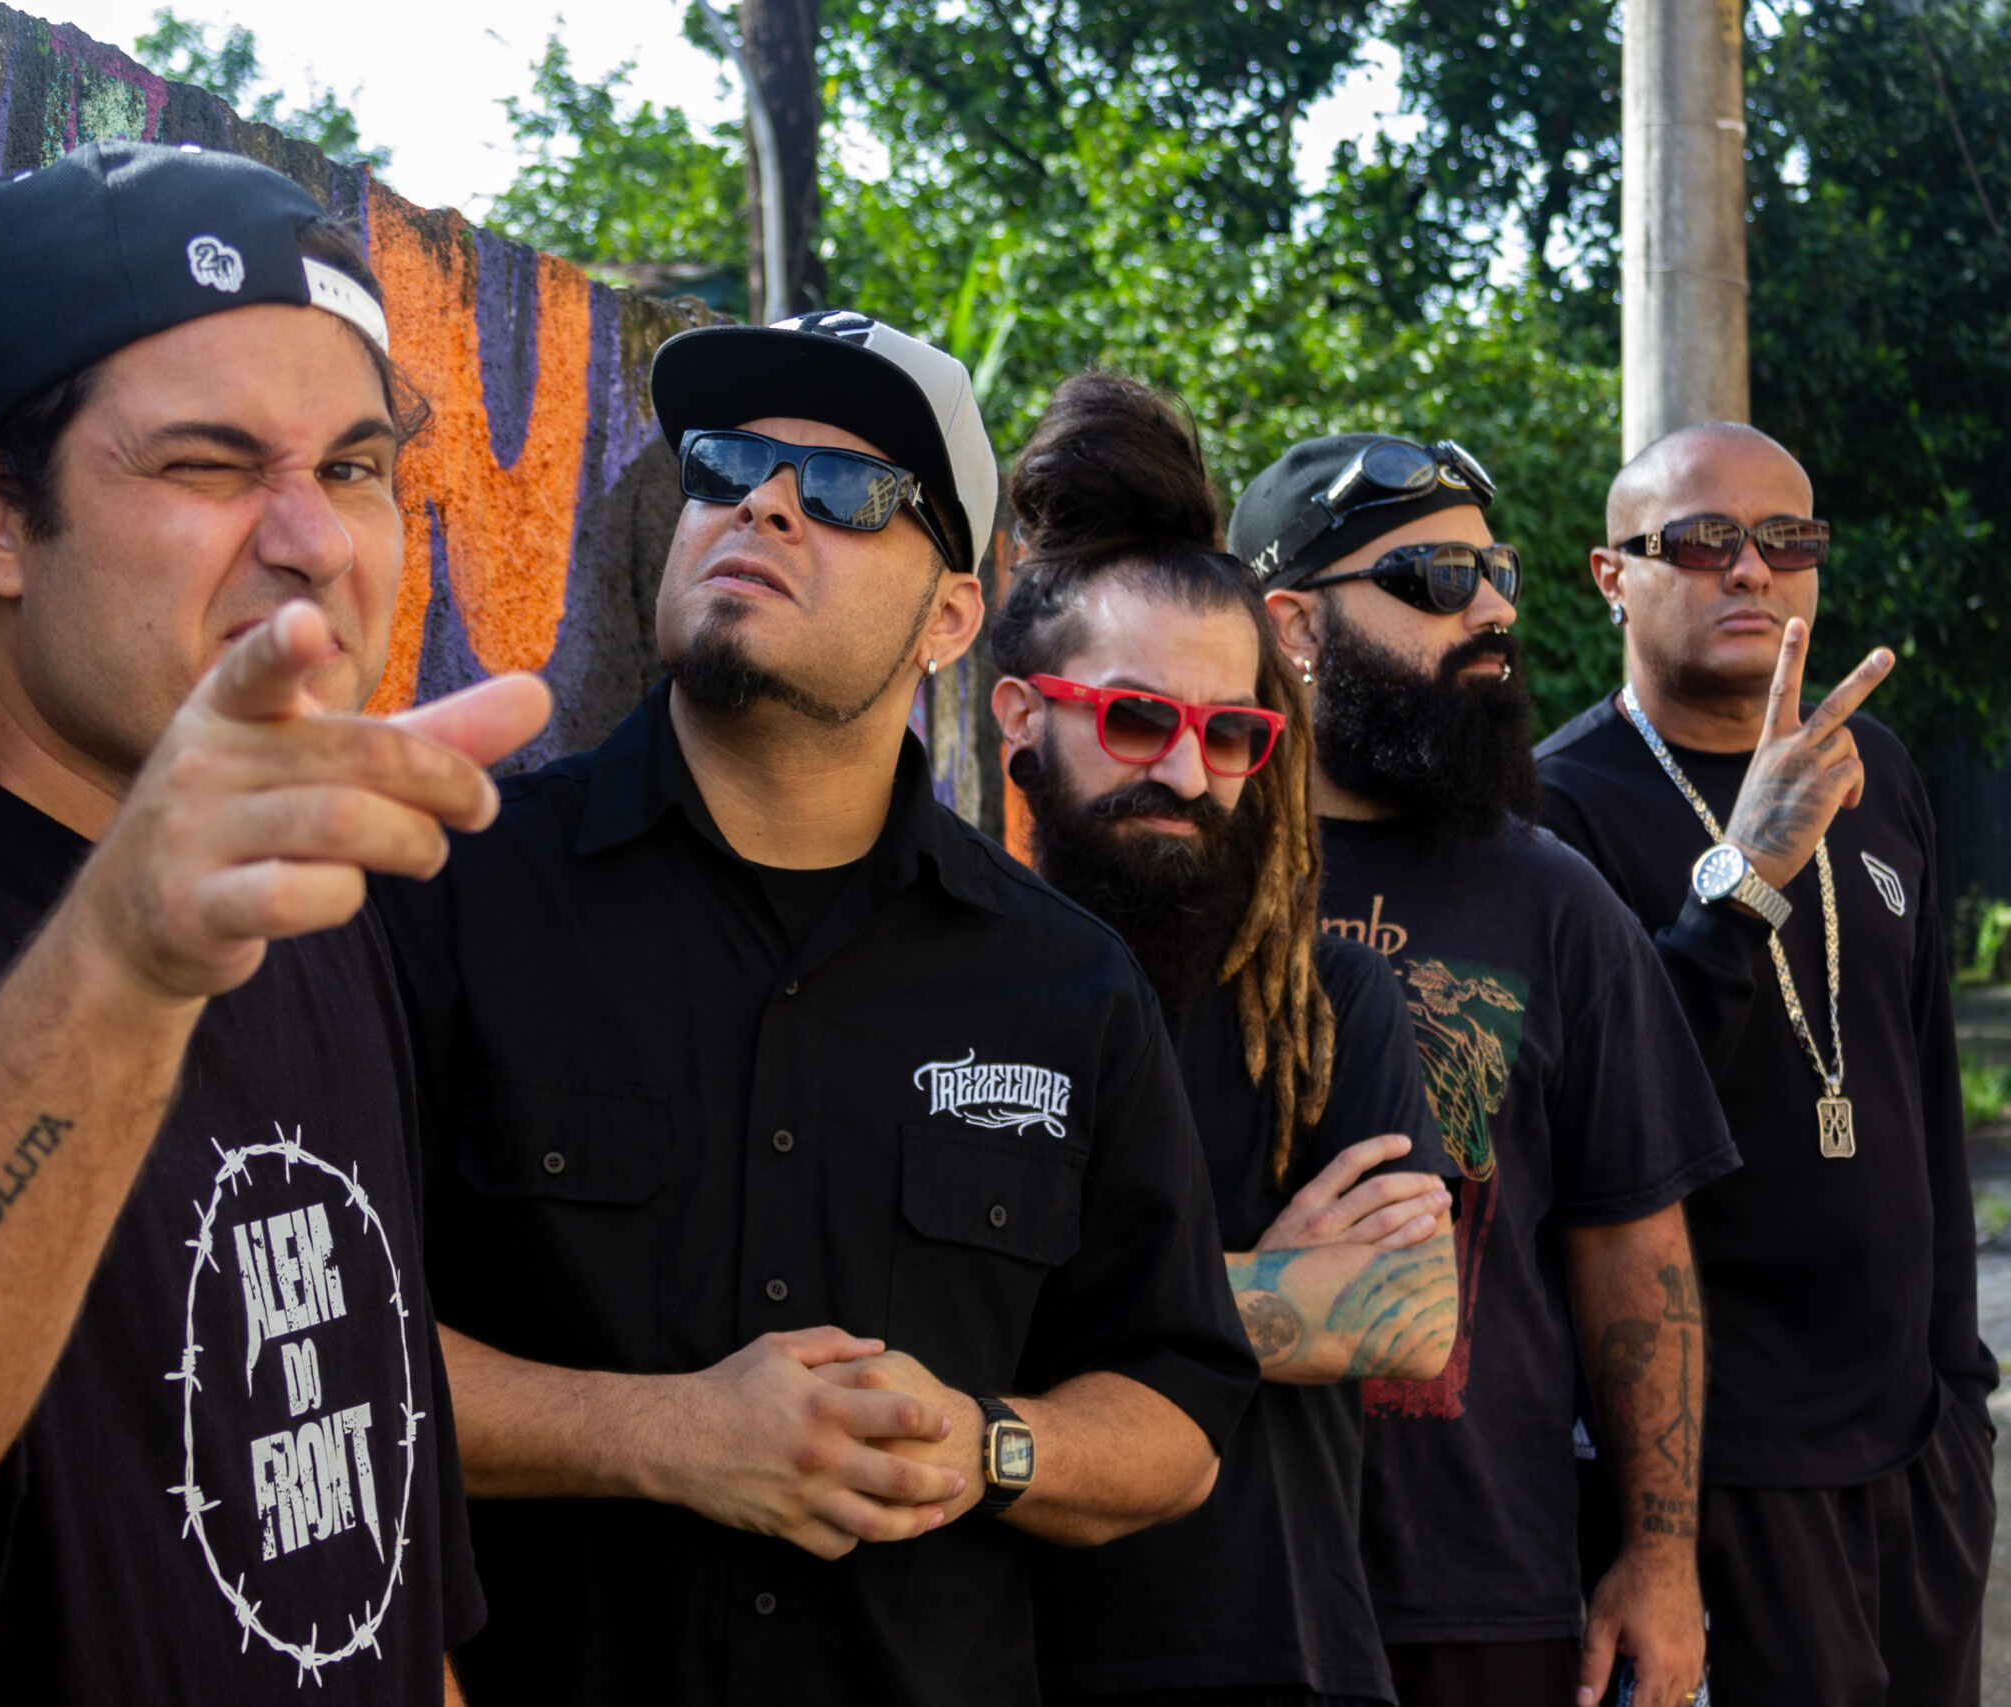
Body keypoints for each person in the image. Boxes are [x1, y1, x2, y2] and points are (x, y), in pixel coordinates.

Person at [0, 143, 526, 1704]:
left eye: (351, 467)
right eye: (207, 464)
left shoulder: (319, 904)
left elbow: (392, 1568)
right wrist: (122, 964)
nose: (318, 538)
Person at [373, 313, 1257, 1707]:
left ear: (950, 618)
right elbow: (313, 1344)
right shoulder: (450, 895)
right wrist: (658, 1434)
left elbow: (1180, 1410)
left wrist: (979, 1445)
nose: (765, 504)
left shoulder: (1067, 984)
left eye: (846, 489)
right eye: (729, 466)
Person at [1230, 433, 1742, 1707]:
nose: (1494, 611)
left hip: (1488, 1595)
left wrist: (1660, 1558)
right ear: (1293, 625)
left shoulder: (1555, 902)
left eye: (1495, 572)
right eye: (1435, 579)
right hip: (1208, 1579)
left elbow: (1634, 1254)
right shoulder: (1191, 876)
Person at [989, 374, 1460, 1707]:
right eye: (1137, 718)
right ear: (1022, 715)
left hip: (1287, 1660)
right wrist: (1276, 1285)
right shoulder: (939, 996)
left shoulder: (1327, 1002)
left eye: (1233, 732)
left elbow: (1408, 1315)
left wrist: (1058, 1313)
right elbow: (907, 1333)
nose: (1188, 773)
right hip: (1012, 1663)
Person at [1534, 421, 1997, 1707]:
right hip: (1717, 1476)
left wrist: (1963, 1399)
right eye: (1701, 540)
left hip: (1916, 1457)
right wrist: (1738, 882)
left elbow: (1928, 1103)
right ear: (1612, 575)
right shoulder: (1553, 814)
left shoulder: (1875, 770)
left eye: (1787, 539)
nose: (1751, 568)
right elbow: (1598, 1134)